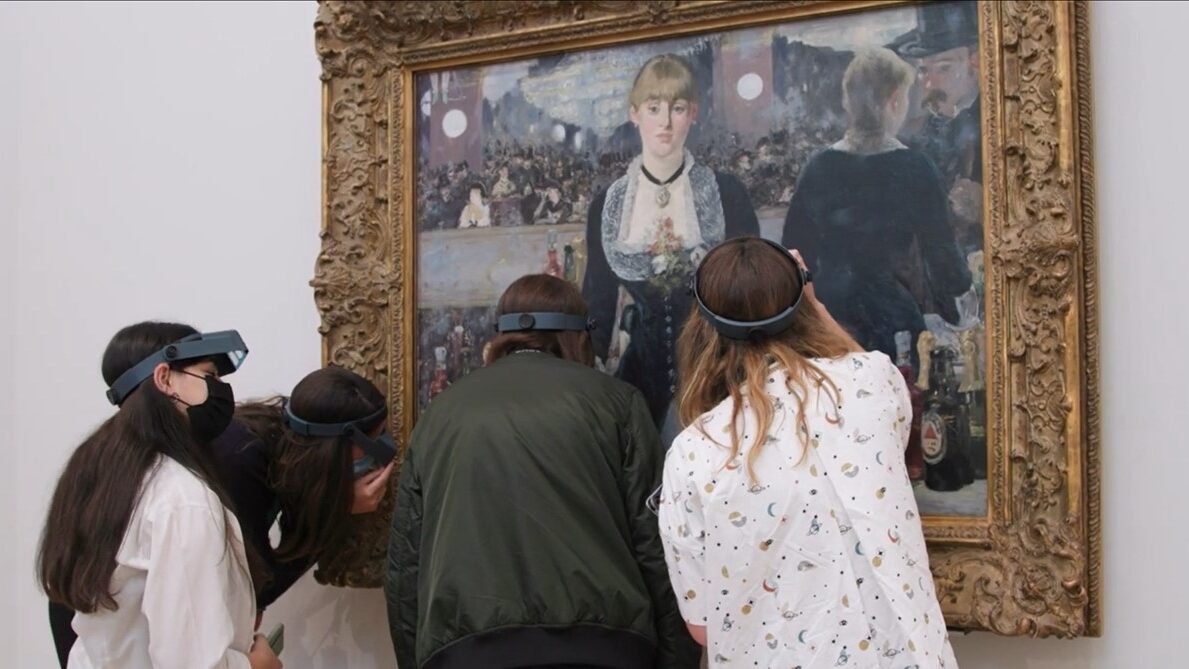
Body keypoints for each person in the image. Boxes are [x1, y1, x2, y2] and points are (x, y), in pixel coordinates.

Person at [658, 238, 957, 667]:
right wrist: (811, 303)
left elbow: (703, 626)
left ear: (703, 325)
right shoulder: (870, 382)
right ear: (803, 304)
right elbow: (867, 374)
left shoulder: (692, 452)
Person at [386, 274, 699, 669]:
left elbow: (404, 567)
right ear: (580, 336)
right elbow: (658, 547)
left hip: (467, 653)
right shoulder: (618, 404)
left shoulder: (441, 415)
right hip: (603, 650)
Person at [47, 365, 397, 667]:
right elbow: (250, 590)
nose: (381, 449)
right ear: (335, 448)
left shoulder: (268, 442)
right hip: (99, 621)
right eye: (375, 438)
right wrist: (337, 509)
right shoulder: (236, 468)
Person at [38, 322, 282, 669]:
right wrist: (258, 664)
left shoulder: (99, 475)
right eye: (209, 375)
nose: (221, 389)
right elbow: (193, 661)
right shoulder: (182, 499)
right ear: (164, 378)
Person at [583, 53, 759, 442]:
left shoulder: (726, 194)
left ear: (692, 114)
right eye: (653, 108)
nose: (664, 122)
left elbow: (754, 295)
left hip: (717, 376)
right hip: (638, 382)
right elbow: (596, 300)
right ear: (635, 114)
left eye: (677, 108)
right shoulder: (608, 205)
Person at [781, 47, 971, 369]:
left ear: (847, 102)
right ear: (895, 101)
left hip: (827, 325)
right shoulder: (916, 168)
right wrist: (962, 295)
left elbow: (793, 257)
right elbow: (943, 262)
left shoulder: (818, 167)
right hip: (892, 321)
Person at [890, 0, 983, 255]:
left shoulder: (1004, 123)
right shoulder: (913, 137)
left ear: (974, 63)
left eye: (943, 67)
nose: (929, 84)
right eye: (922, 71)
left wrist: (987, 209)